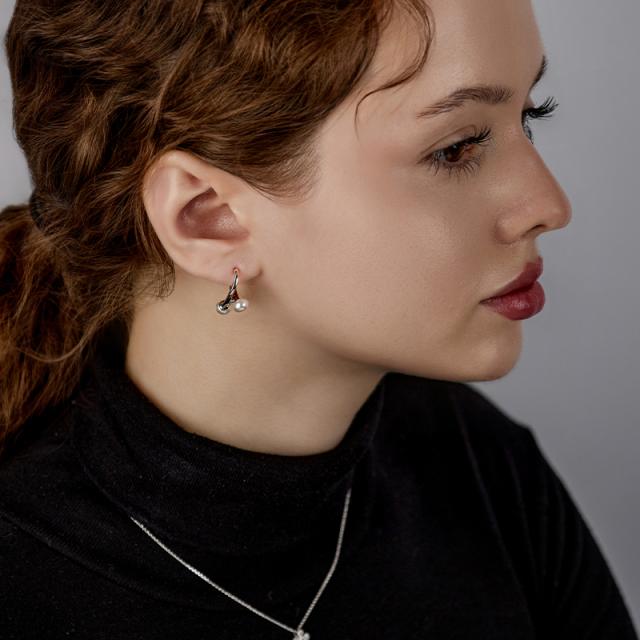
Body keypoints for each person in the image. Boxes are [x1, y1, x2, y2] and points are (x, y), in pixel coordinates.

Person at [0, 0, 637, 638]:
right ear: (208, 217)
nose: (549, 205)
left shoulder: (482, 470)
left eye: (529, 116)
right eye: (457, 148)